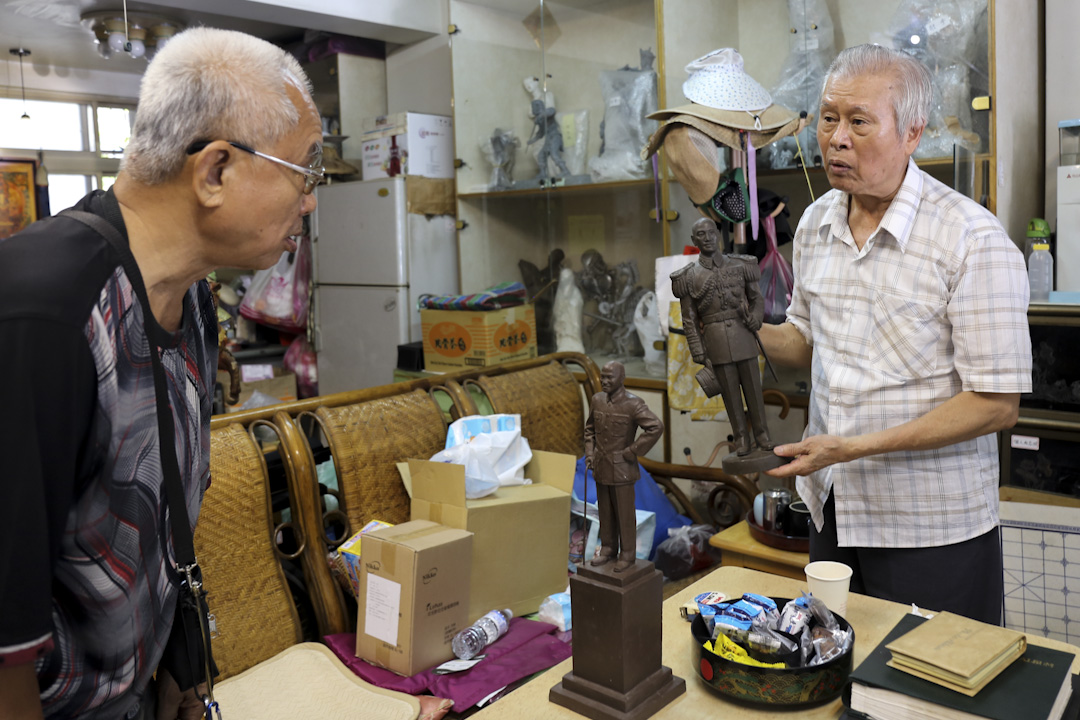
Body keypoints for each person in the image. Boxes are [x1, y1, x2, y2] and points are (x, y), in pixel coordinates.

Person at [0, 28, 323, 719]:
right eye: (305, 172)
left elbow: (161, 510)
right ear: (215, 171)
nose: (310, 201)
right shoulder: (46, 312)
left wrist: (178, 670)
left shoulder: (193, 298)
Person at [759, 44, 1031, 624]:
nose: (836, 138)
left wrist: (853, 447)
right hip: (834, 508)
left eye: (859, 122)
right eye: (829, 118)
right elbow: (806, 339)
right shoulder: (815, 223)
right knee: (839, 677)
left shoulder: (971, 240)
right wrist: (738, 327)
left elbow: (995, 404)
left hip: (932, 528)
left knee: (930, 702)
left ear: (913, 133)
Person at [671, 217, 775, 457]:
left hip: (743, 335)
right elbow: (688, 318)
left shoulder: (741, 264)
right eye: (701, 235)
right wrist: (697, 349)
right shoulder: (688, 277)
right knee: (730, 394)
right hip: (715, 340)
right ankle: (741, 438)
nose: (707, 238)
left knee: (753, 391)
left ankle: (762, 435)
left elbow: (757, 299)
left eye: (710, 233)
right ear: (693, 240)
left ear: (717, 234)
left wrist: (756, 319)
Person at [584, 361, 663, 572]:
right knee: (605, 512)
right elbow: (589, 430)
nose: (605, 381)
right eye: (603, 376)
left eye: (610, 377)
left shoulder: (633, 404)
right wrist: (590, 453)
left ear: (622, 378)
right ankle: (608, 548)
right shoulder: (597, 400)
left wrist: (633, 450)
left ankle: (627, 554)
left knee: (624, 514)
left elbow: (655, 427)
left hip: (622, 469)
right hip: (600, 466)